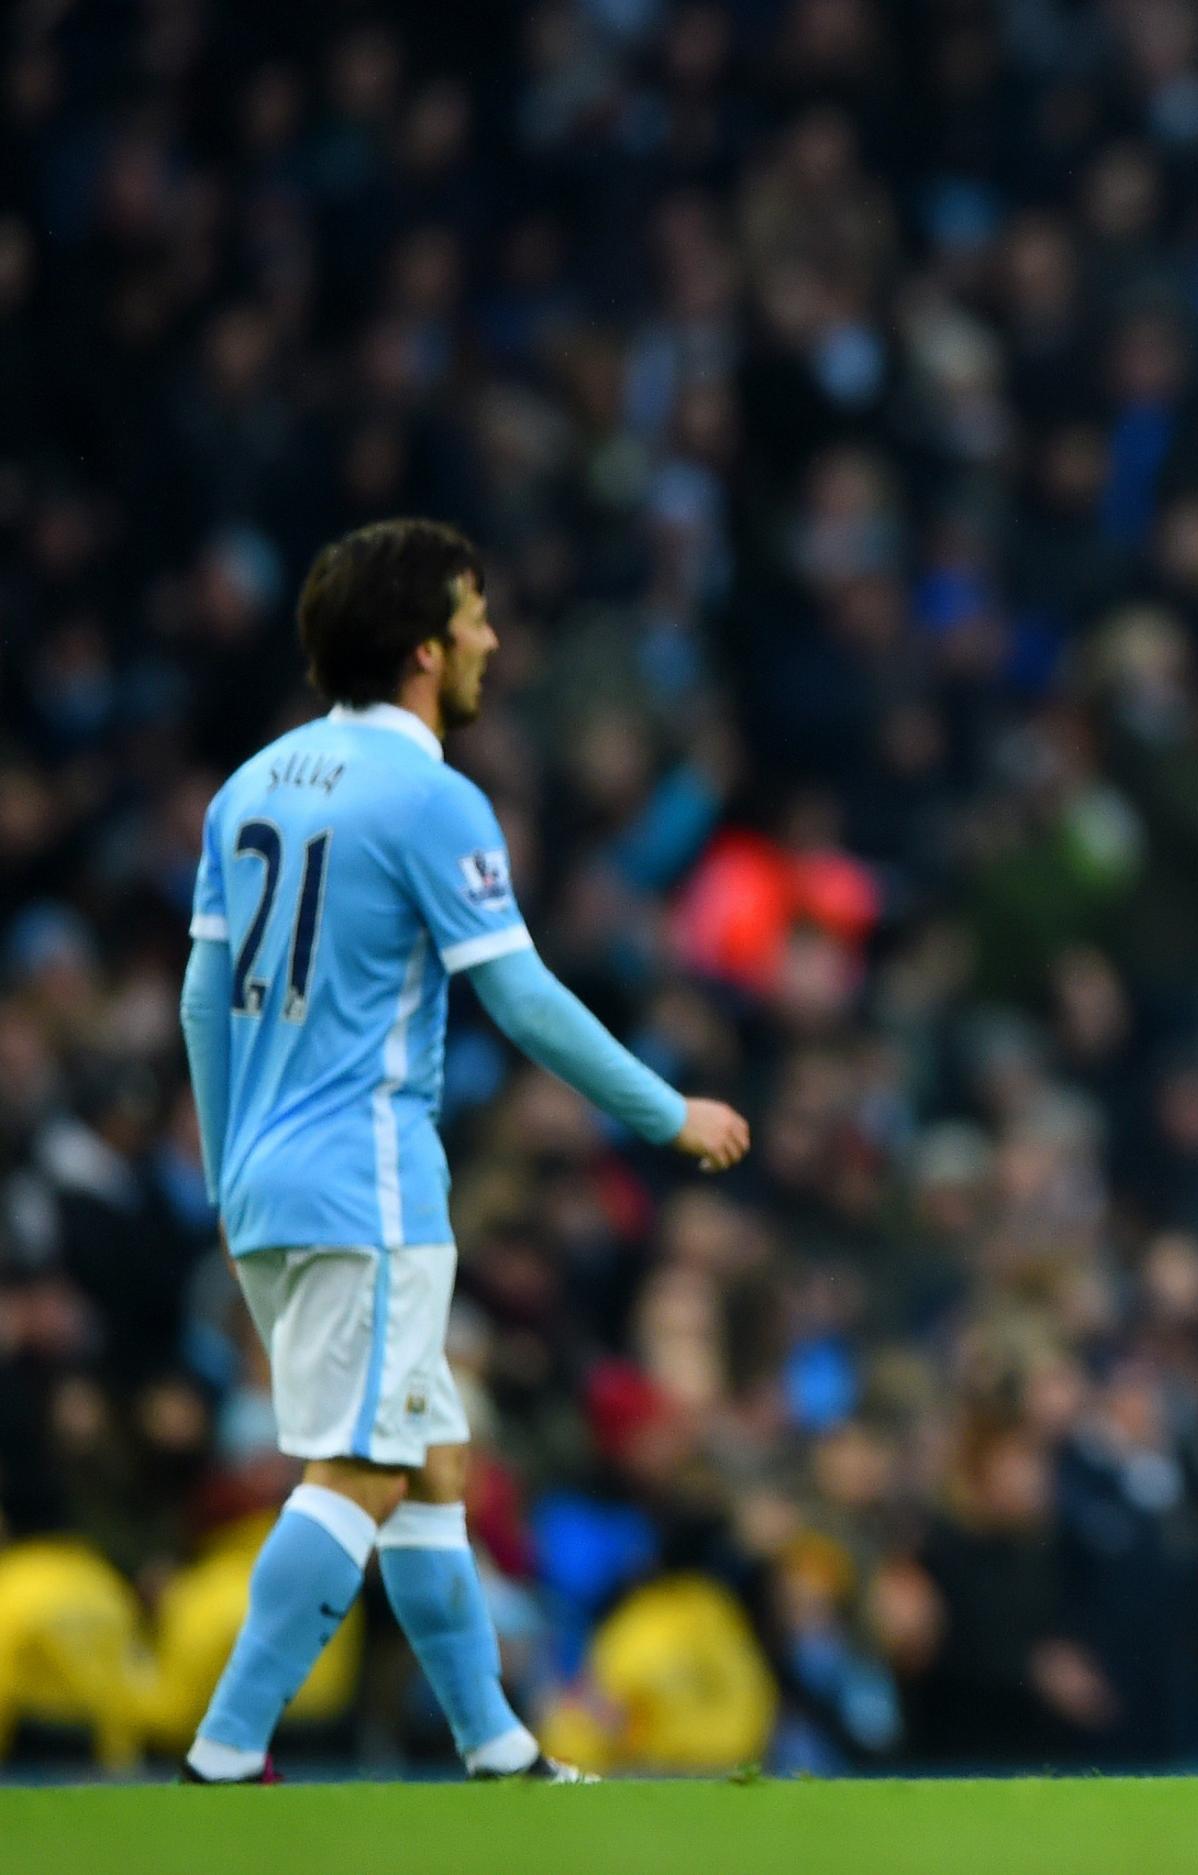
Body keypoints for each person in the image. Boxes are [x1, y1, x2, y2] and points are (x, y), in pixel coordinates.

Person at [177, 519, 751, 1783]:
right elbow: (527, 998)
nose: (495, 639)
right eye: (478, 617)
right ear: (427, 649)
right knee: (365, 1469)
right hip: (368, 1178)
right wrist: (670, 1110)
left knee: (431, 1459)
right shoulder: (433, 798)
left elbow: (200, 1007)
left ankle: (495, 1747)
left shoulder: (249, 787)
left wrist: (227, 1176)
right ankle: (224, 1754)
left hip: (270, 1174)